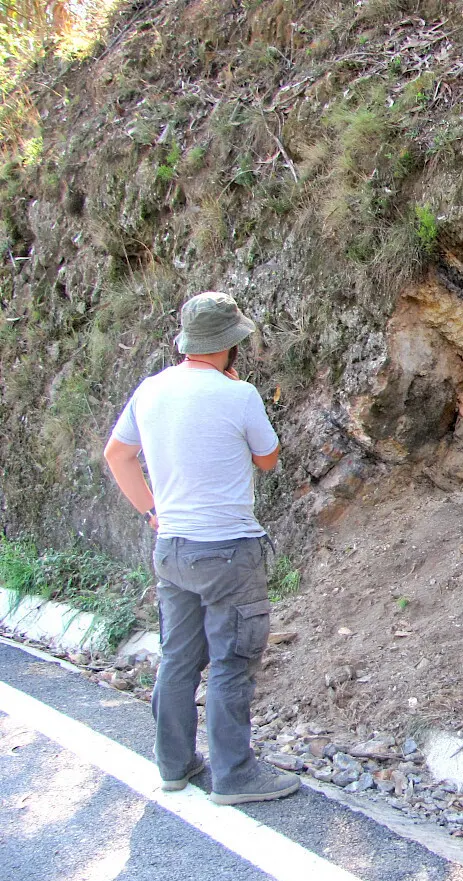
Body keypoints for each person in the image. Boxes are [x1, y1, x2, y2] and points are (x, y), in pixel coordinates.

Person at [103, 291, 299, 805]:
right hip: (228, 551)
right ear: (231, 344)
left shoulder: (149, 391)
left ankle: (174, 764)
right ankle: (234, 775)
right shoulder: (239, 395)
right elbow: (268, 459)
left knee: (177, 659)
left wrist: (151, 511)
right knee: (232, 661)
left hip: (171, 548)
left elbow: (117, 455)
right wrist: (237, 396)